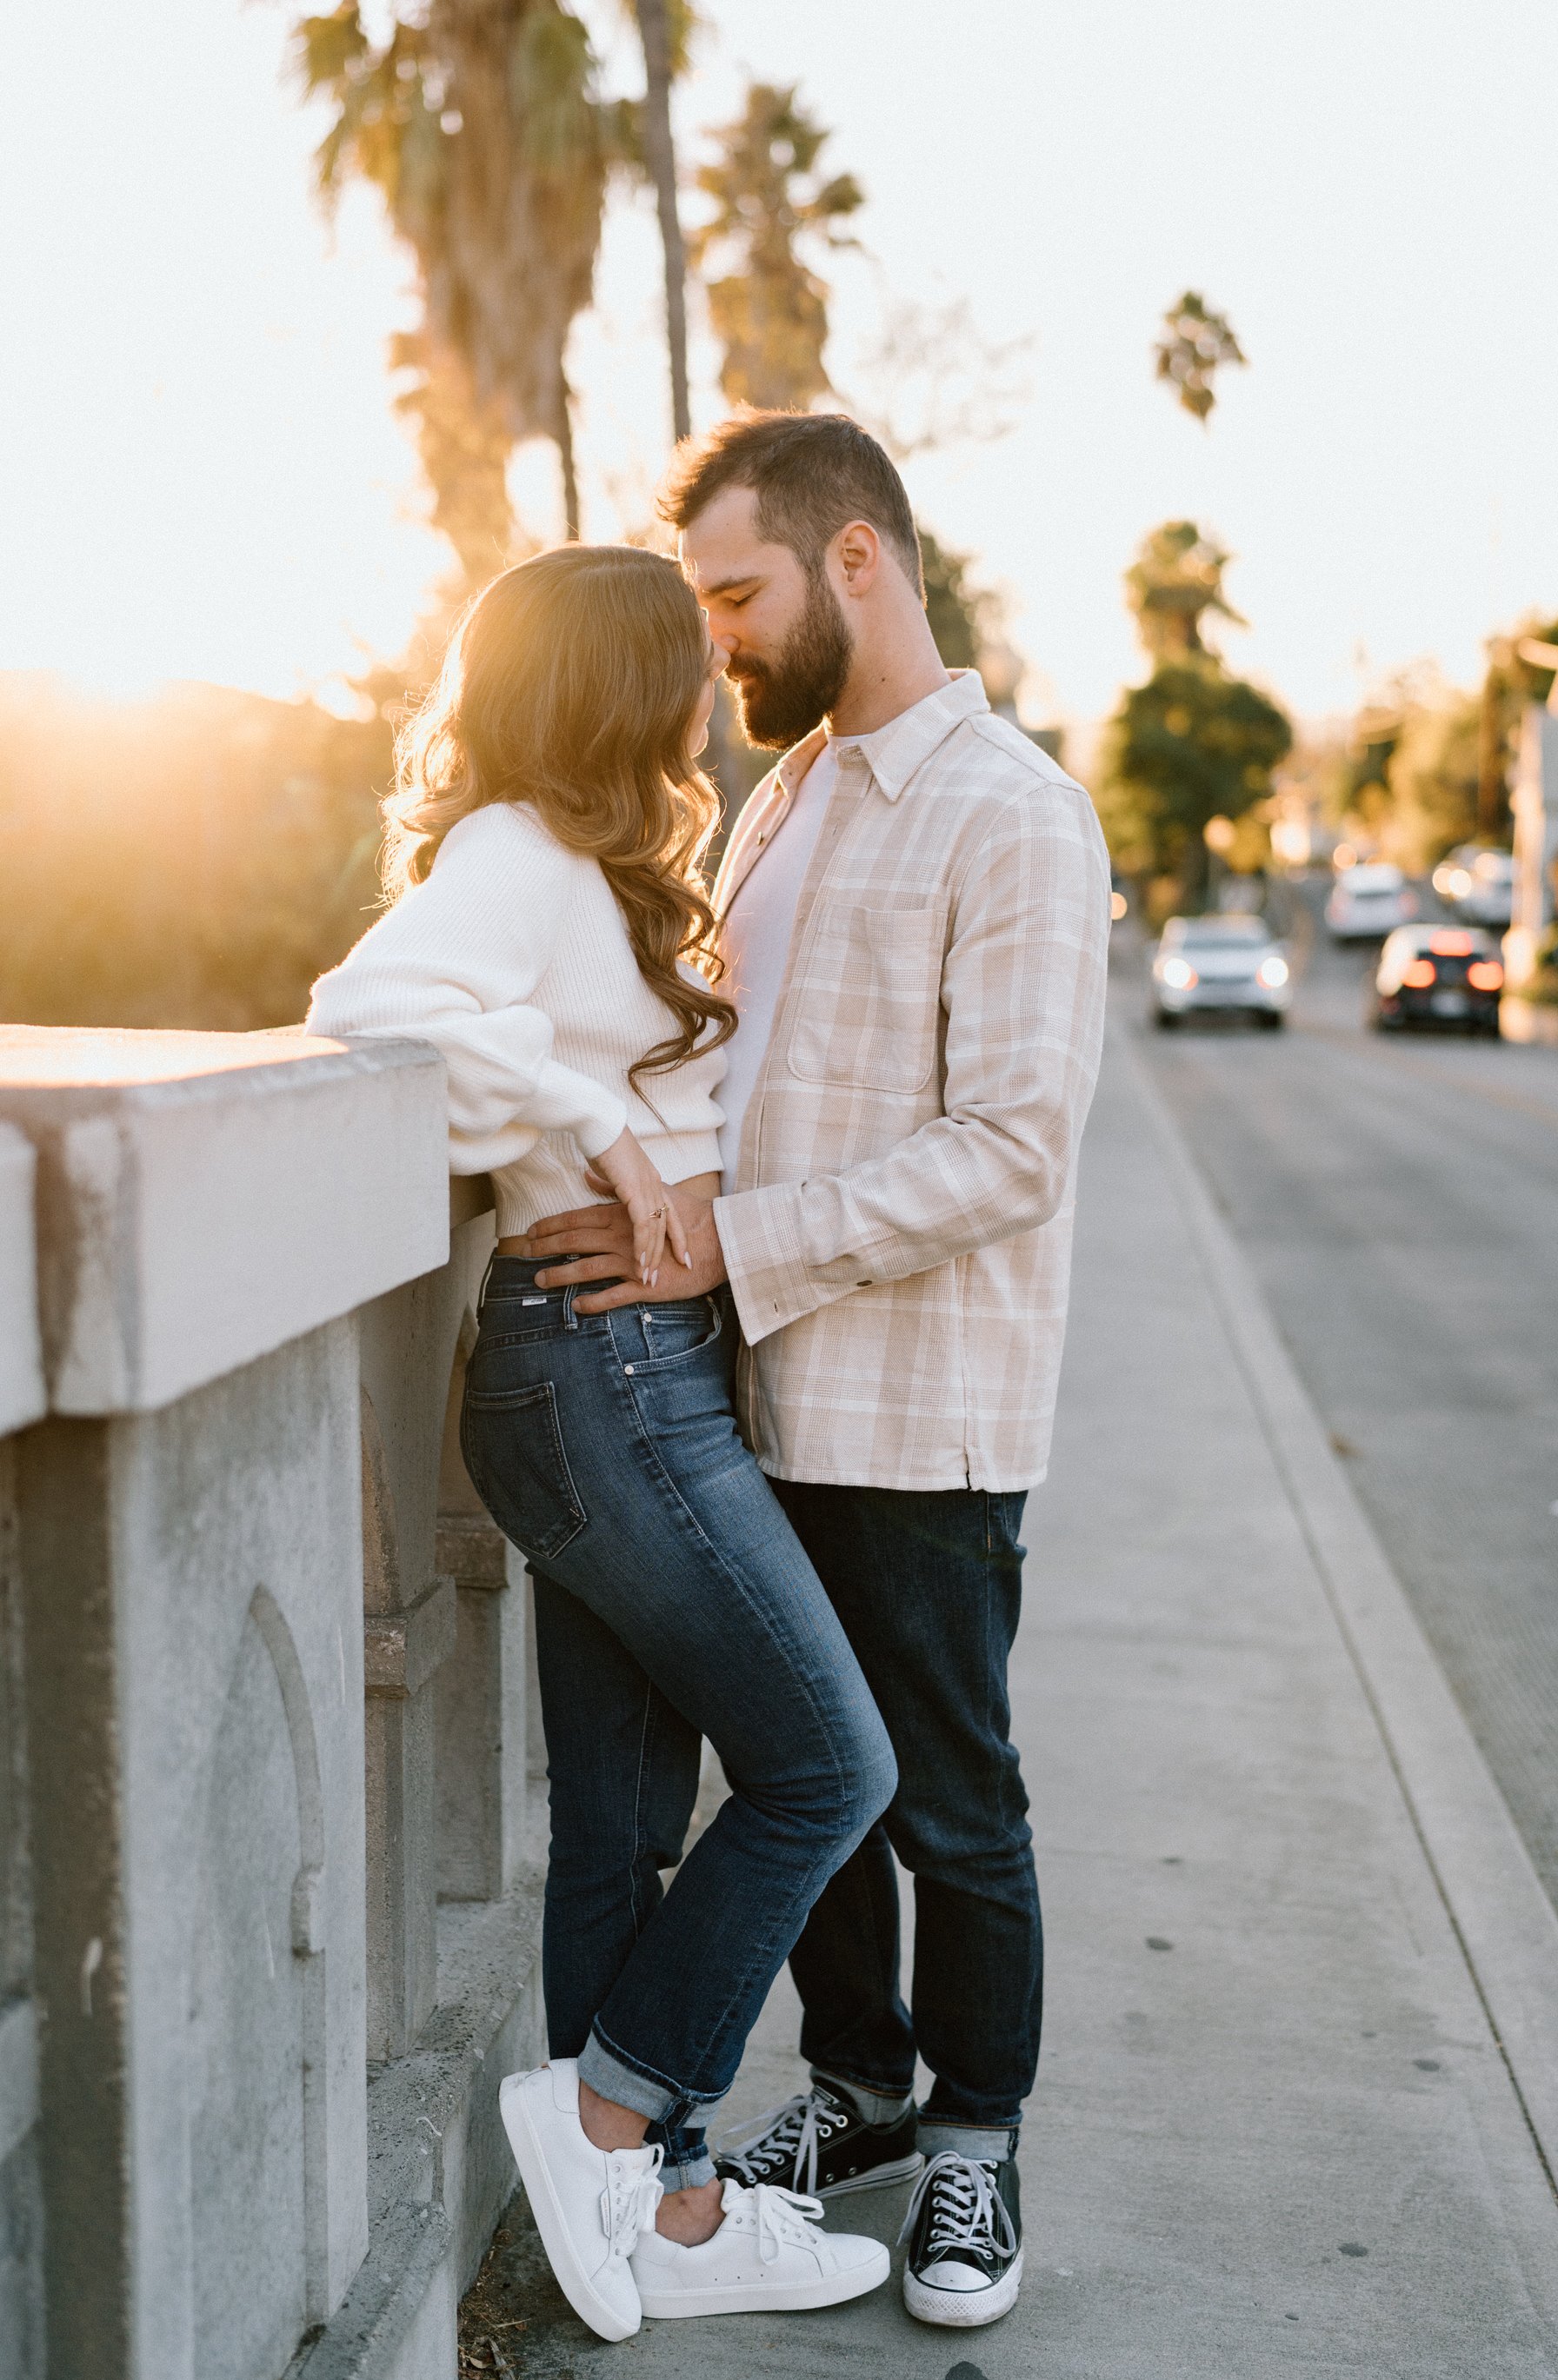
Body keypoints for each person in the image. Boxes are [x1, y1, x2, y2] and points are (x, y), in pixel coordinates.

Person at [524, 414, 1110, 2330]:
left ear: (855, 562)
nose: (715, 642)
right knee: (812, 1783)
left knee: (947, 1797)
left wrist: (721, 1243)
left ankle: (975, 2146)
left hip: (921, 1409)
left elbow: (1014, 1142)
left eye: (736, 594)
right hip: (747, 1395)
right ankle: (850, 2090)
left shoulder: (1008, 808)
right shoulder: (783, 797)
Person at [305, 543, 898, 2340]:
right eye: (685, 650)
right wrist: (601, 1132)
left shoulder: (580, 861)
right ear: (616, 679)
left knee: (623, 1830)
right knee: (825, 1767)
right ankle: (604, 2116)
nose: (715, 681)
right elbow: (370, 1008)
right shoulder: (515, 856)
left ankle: (671, 2215)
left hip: (633, 1366)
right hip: (602, 1377)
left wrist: (609, 1127)